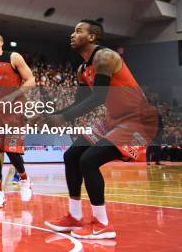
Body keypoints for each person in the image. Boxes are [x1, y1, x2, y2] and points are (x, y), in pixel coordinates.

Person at [41, 20, 158, 240]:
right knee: (72, 156)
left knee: (89, 160)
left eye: (78, 31)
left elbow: (98, 97)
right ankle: (74, 217)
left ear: (92, 37)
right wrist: (51, 116)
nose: (72, 35)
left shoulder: (106, 57)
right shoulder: (82, 69)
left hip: (138, 120)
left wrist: (63, 117)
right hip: (113, 119)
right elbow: (81, 100)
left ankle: (103, 224)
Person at [0, 33, 35, 208]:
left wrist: (13, 95)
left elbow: (31, 80)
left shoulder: (13, 57)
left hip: (13, 110)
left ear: (1, 42)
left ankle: (25, 180)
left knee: (11, 150)